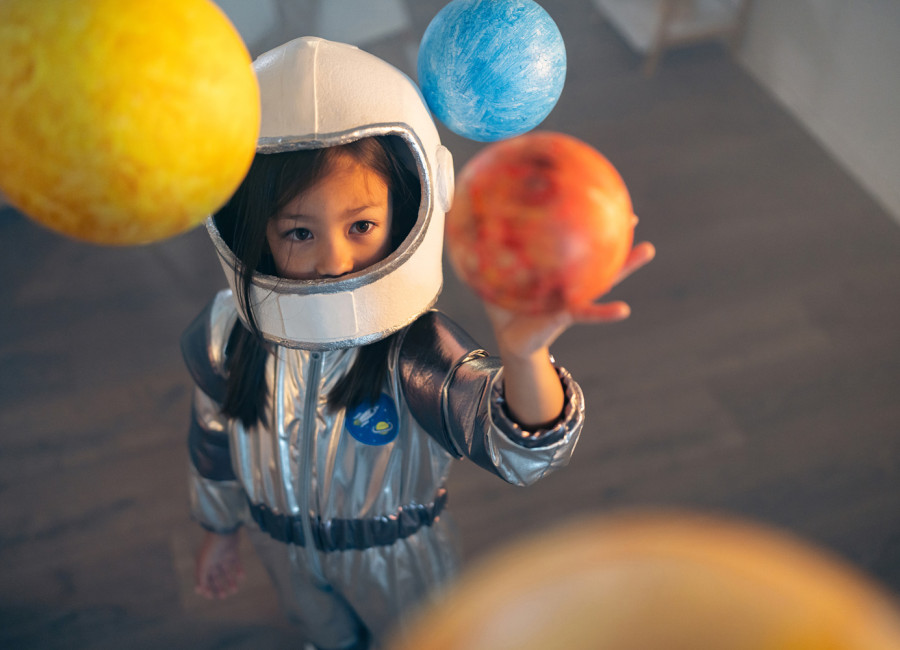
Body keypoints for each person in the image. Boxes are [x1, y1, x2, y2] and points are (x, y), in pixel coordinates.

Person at [182, 37, 654, 650]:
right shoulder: (228, 332)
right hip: (283, 549)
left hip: (399, 563)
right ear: (253, 231)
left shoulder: (418, 352)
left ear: (405, 212)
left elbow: (515, 447)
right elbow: (212, 438)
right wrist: (219, 528)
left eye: (361, 226)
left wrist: (524, 356)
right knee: (320, 635)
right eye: (299, 231)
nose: (334, 259)